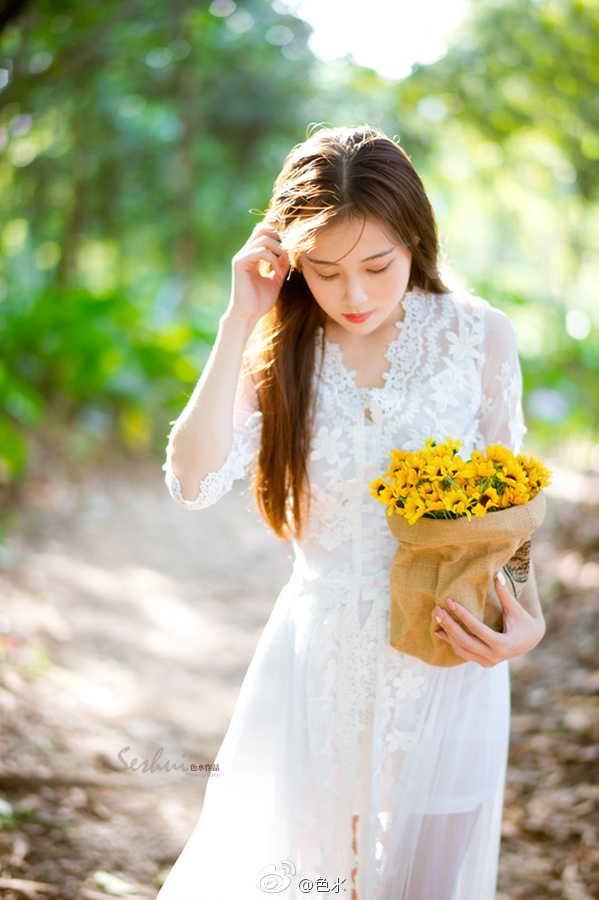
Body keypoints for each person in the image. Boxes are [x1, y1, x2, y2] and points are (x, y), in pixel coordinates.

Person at [157, 125, 545, 900]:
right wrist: (240, 320)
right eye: (325, 271)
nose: (355, 295)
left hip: (446, 653)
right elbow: (193, 482)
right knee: (313, 882)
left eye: (377, 265)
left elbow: (512, 515)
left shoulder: (478, 337)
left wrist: (523, 614)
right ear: (292, 263)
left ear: (414, 239)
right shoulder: (279, 348)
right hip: (318, 656)